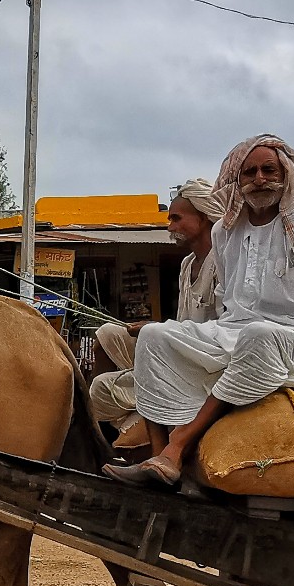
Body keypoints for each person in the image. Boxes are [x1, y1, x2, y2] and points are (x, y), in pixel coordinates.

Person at [105, 137, 294, 490]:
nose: (260, 179)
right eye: (250, 172)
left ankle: (177, 446)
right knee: (155, 336)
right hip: (234, 333)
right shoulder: (225, 230)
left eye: (270, 170)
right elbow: (227, 305)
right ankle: (159, 463)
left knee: (258, 334)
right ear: (236, 180)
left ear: (287, 174)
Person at [89, 179, 223, 438]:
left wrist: (161, 330)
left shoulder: (223, 261)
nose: (170, 226)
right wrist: (160, 330)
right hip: (179, 347)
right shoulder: (187, 265)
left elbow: (226, 328)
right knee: (106, 333)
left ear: (204, 218)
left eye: (177, 218)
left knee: (99, 390)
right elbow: (184, 322)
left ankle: (117, 430)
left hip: (204, 362)